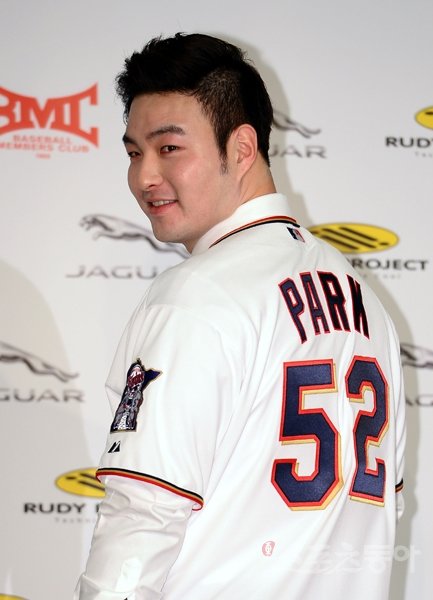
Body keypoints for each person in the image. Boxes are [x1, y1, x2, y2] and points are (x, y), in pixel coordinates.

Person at [74, 33, 405, 599]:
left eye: (169, 148)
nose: (144, 176)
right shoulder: (366, 303)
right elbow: (381, 515)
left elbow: (143, 517)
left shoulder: (194, 296)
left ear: (243, 148)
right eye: (133, 153)